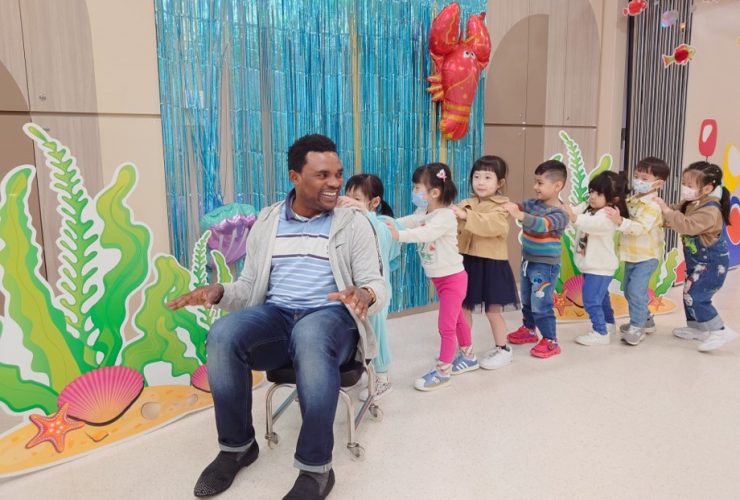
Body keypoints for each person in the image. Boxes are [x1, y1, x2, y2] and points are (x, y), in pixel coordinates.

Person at [167, 134, 386, 500]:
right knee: (223, 334)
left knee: (311, 334)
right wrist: (220, 292)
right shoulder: (269, 221)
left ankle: (316, 469)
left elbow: (376, 283)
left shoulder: (353, 223)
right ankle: (237, 447)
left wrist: (365, 294)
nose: (334, 183)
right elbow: (248, 286)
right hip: (279, 317)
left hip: (331, 318)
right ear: (295, 177)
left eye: (338, 174)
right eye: (322, 175)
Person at [385, 163, 476, 391]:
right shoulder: (424, 212)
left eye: (417, 188)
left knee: (446, 326)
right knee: (457, 319)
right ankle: (469, 357)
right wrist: (390, 224)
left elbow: (425, 233)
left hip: (453, 279)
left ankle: (443, 371)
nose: (414, 192)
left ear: (434, 192)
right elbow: (409, 221)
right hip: (441, 279)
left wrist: (399, 235)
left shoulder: (445, 216)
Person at [656, 161, 737, 352]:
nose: (685, 188)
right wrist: (654, 213)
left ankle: (720, 330)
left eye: (690, 185)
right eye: (684, 183)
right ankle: (697, 328)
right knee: (688, 292)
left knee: (697, 296)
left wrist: (666, 211)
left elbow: (687, 225)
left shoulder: (711, 210)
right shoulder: (691, 202)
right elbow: (675, 214)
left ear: (707, 188)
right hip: (696, 261)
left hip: (712, 263)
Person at [452, 155, 520, 369]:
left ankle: (503, 349)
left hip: (492, 265)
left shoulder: (504, 207)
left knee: (493, 311)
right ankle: (465, 350)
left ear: (500, 183)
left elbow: (492, 225)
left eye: (487, 177)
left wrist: (465, 216)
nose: (481, 182)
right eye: (477, 177)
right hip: (466, 262)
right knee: (463, 309)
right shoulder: (466, 203)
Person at [337, 174, 401, 401]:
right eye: (347, 196)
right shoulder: (352, 222)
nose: (348, 202)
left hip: (375, 294)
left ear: (374, 202)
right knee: (361, 335)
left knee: (376, 334)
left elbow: (385, 245)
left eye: (356, 198)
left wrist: (364, 213)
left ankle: (383, 378)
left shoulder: (382, 224)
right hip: (357, 292)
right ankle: (364, 372)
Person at [504, 160, 570, 358]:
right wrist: (505, 205)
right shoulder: (532, 203)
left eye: (540, 183)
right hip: (528, 260)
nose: (535, 187)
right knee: (527, 299)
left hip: (545, 265)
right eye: (535, 182)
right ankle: (529, 329)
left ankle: (550, 340)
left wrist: (519, 214)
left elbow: (542, 224)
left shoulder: (561, 213)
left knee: (541, 303)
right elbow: (517, 207)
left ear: (557, 186)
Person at [604, 157, 669, 345]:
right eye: (636, 176)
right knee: (629, 291)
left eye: (644, 178)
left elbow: (640, 227)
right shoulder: (633, 199)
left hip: (646, 256)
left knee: (635, 292)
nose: (638, 181)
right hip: (631, 255)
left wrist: (619, 221)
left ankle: (637, 327)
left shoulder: (653, 206)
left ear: (659, 183)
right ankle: (646, 320)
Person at [564, 171, 629, 346]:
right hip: (590, 266)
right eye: (591, 191)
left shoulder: (608, 215)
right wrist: (566, 210)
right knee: (601, 298)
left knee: (591, 300)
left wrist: (574, 217)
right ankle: (608, 324)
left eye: (598, 194)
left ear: (613, 199)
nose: (592, 196)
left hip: (600, 268)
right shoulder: (589, 208)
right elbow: (574, 212)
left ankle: (600, 332)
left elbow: (592, 224)